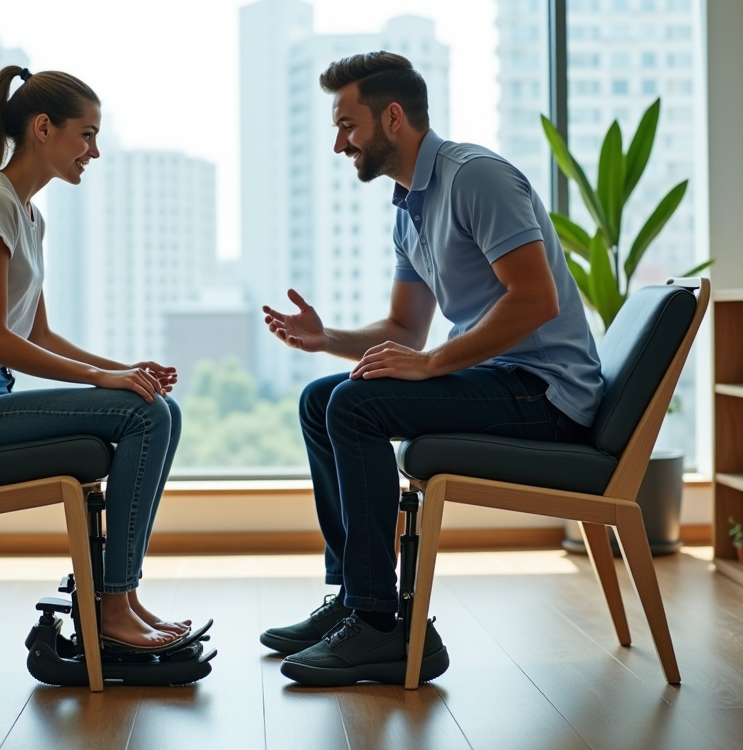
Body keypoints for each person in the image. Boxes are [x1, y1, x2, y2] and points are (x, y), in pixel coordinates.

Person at [259, 52, 604, 685]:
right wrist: (326, 338)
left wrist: (432, 364)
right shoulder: (409, 208)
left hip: (544, 393)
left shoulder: (476, 178)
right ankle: (353, 598)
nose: (339, 144)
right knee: (320, 399)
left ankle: (378, 623)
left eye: (348, 126)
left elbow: (536, 299)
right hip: (495, 378)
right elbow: (403, 330)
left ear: (393, 117)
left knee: (354, 406)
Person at [0, 66, 187, 649]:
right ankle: (113, 605)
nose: (94, 151)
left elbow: (39, 334)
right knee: (146, 415)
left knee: (160, 407)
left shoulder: (28, 214)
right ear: (43, 128)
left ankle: (123, 595)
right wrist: (104, 378)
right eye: (86, 135)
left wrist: (124, 371)